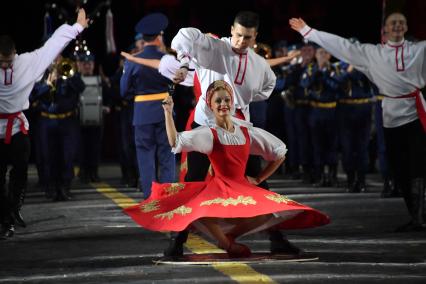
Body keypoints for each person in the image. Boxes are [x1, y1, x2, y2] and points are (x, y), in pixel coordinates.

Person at [125, 80, 330, 258]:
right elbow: (174, 141)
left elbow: (279, 153)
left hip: (241, 184)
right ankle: (224, 243)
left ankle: (233, 236)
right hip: (220, 185)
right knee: (200, 209)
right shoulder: (208, 133)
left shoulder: (246, 132)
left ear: (232, 103)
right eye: (218, 101)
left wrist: (258, 179)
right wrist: (168, 113)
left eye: (226, 100)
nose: (223, 104)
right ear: (211, 106)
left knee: (269, 214)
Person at [289, 13, 426, 231]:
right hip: (391, 116)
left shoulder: (420, 49)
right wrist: (309, 32)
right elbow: (341, 45)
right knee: (400, 169)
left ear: (407, 26)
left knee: (419, 167)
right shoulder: (373, 53)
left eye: (401, 22)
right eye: (393, 23)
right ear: (385, 31)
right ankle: (415, 215)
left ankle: (421, 218)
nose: (398, 25)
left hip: (417, 115)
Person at [0, 8, 89, 239]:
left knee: (20, 173)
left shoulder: (26, 63)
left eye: (8, 61)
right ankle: (5, 217)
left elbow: (53, 44)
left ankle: (14, 210)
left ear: (15, 55)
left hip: (18, 128)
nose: (6, 66)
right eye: (1, 62)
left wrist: (77, 27)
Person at [120, 13, 176, 198]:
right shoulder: (167, 60)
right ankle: (168, 199)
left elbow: (123, 91)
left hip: (142, 113)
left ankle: (150, 200)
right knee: (167, 157)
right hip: (164, 112)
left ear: (143, 38)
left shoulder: (133, 61)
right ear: (159, 36)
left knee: (145, 158)